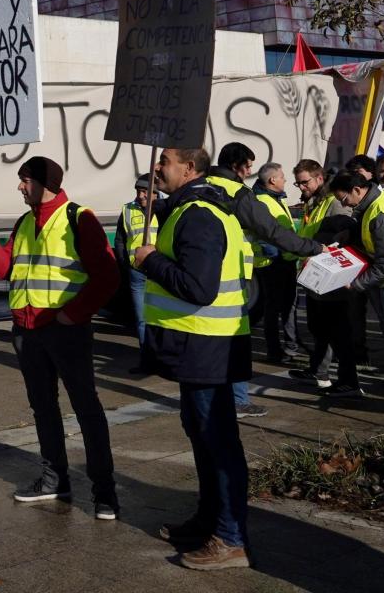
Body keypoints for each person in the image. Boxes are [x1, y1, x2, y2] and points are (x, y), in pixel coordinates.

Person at [0, 156, 120, 520]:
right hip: (27, 332)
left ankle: (105, 493)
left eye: (24, 180)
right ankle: (55, 479)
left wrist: (73, 314)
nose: (20, 186)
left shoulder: (77, 218)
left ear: (43, 182)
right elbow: (5, 269)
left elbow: (108, 277)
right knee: (44, 409)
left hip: (65, 332)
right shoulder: (25, 222)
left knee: (87, 409)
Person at [132, 148, 252, 570]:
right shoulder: (190, 210)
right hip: (201, 347)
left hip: (208, 348)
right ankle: (210, 521)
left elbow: (199, 287)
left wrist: (152, 262)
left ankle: (230, 538)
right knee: (203, 436)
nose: (157, 166)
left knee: (217, 442)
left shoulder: (199, 215)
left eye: (164, 160)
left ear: (189, 169)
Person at [205, 143, 323, 419]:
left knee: (211, 344)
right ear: (237, 166)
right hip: (231, 278)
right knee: (236, 342)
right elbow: (272, 231)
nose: (249, 173)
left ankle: (218, 399)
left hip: (204, 273)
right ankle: (238, 401)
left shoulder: (201, 185)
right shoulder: (238, 193)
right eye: (247, 167)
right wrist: (314, 248)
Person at [330, 170, 384, 386]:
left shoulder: (381, 212)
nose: (344, 205)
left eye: (344, 199)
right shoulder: (372, 205)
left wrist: (356, 283)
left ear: (357, 190)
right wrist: (350, 235)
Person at [288, 160, 357, 391]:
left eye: (304, 182)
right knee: (319, 327)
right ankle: (318, 370)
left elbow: (341, 238)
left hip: (330, 276)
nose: (301, 187)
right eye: (298, 183)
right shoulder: (315, 202)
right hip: (314, 272)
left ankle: (343, 380)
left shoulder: (334, 202)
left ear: (319, 178)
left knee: (335, 330)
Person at [250, 163, 304, 364]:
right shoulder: (263, 201)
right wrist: (277, 255)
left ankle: (290, 346)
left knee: (287, 305)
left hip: (283, 260)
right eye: (282, 177)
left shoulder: (273, 199)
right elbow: (265, 234)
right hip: (274, 262)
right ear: (272, 180)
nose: (285, 180)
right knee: (274, 308)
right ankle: (276, 350)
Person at [116, 173, 160, 373]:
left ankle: (165, 360)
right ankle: (147, 362)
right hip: (137, 273)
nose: (141, 195)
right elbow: (120, 240)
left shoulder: (166, 210)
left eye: (145, 191)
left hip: (160, 272)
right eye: (139, 191)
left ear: (156, 193)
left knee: (161, 318)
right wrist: (126, 263)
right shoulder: (127, 210)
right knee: (142, 320)